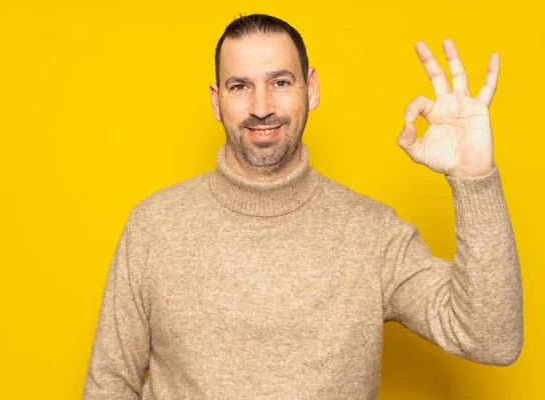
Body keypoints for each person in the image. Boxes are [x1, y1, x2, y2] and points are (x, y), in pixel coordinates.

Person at [82, 13, 523, 400]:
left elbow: (491, 338)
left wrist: (473, 180)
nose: (261, 107)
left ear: (310, 88)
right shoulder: (155, 225)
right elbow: (109, 384)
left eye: (280, 82)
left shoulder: (372, 234)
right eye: (240, 86)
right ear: (217, 101)